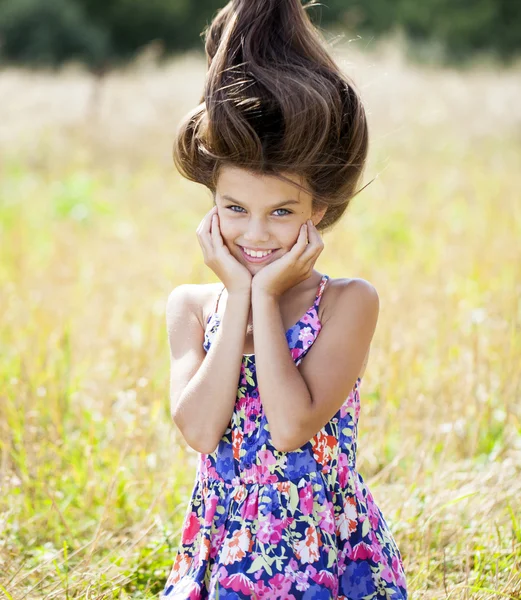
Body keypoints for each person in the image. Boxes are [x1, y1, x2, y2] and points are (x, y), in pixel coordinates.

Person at [161, 0, 408, 598]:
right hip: (222, 556)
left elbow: (291, 425)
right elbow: (198, 429)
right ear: (212, 205)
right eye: (235, 209)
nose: (255, 234)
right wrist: (240, 296)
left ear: (318, 211)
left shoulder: (349, 303)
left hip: (325, 553)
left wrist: (264, 297)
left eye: (282, 213)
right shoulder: (191, 306)